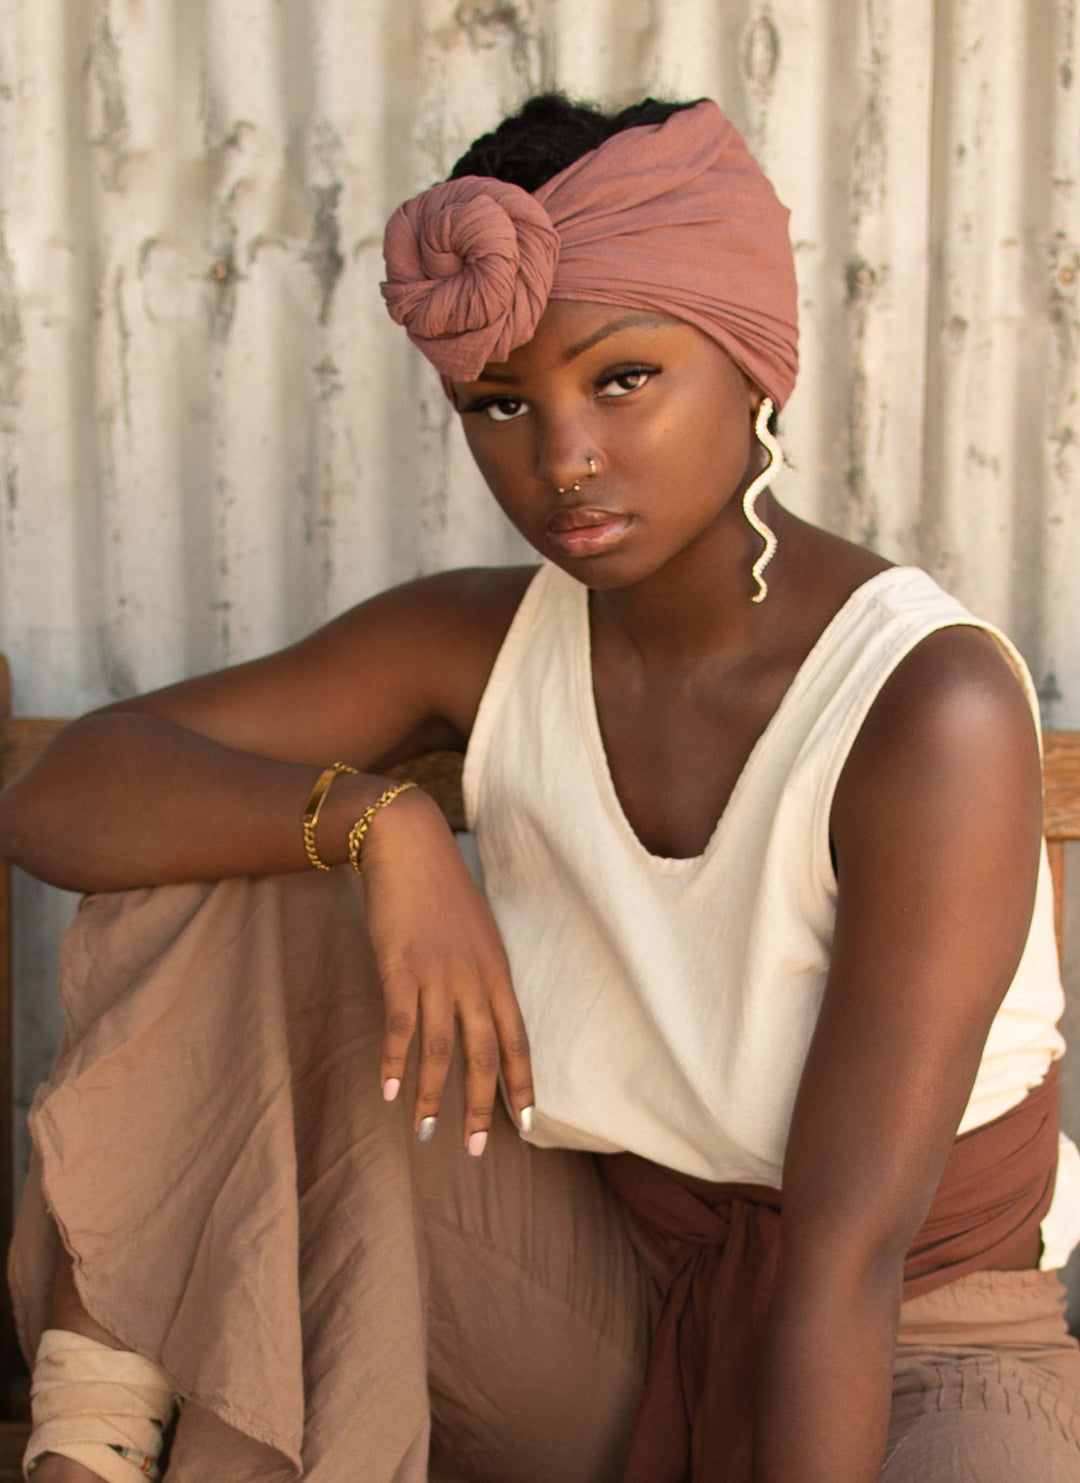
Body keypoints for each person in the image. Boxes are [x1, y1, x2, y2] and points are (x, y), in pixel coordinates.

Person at [2, 92, 1079, 1483]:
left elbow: (849, 1251)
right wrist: (382, 826)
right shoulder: (478, 638)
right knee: (231, 877)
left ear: (752, 362)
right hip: (618, 1296)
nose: (560, 457)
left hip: (918, 1336)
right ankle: (85, 1445)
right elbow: (68, 793)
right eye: (500, 403)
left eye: (621, 377)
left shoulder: (928, 706)